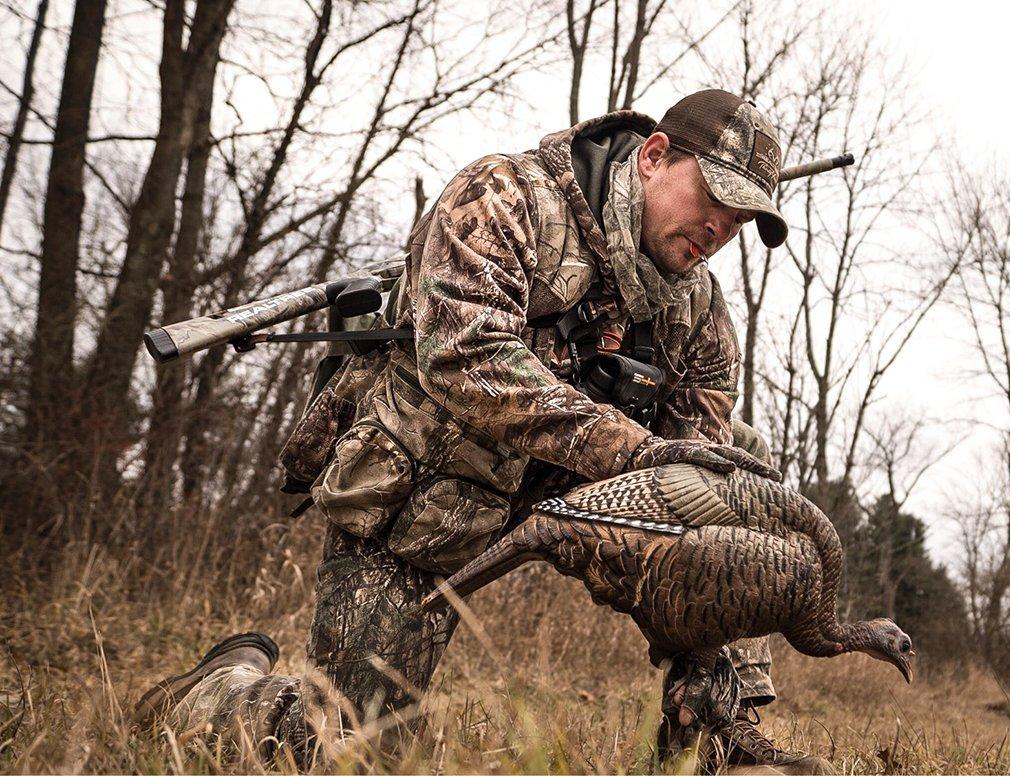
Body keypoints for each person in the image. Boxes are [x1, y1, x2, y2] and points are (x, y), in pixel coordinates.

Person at [134, 89, 830, 772]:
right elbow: (463, 356)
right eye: (714, 199)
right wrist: (634, 450)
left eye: (739, 221)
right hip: (421, 500)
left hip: (556, 504)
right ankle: (211, 692)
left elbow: (698, 477)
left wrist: (681, 519)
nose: (720, 229)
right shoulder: (505, 197)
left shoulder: (698, 312)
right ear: (653, 156)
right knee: (346, 748)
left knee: (735, 475)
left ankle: (721, 735)